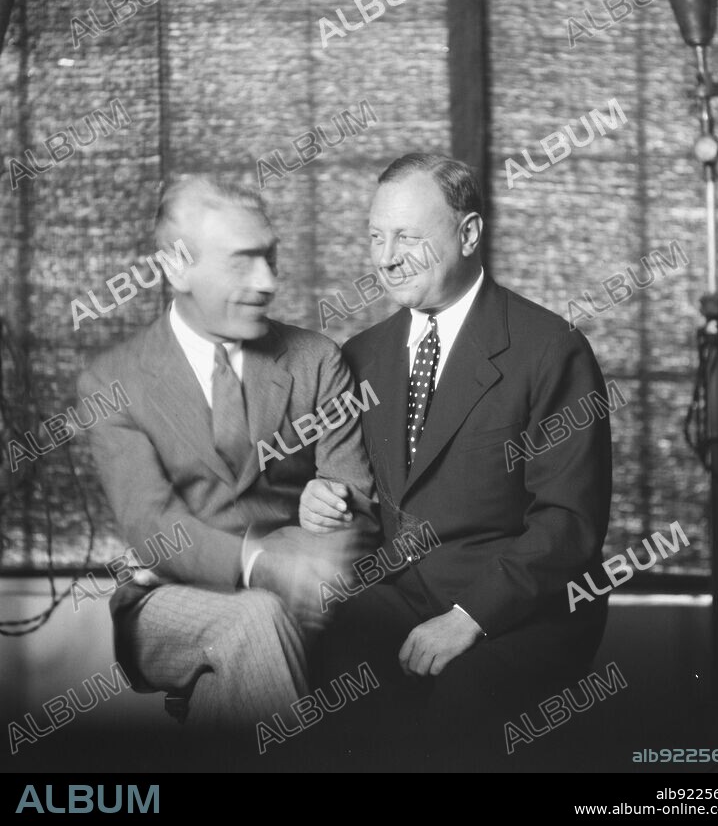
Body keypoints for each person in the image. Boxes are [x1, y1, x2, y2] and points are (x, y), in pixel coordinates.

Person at [301, 152, 613, 770]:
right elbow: (361, 496)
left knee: (455, 721)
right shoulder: (359, 357)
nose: (386, 257)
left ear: (469, 234)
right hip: (401, 595)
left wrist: (469, 619)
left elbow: (569, 524)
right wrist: (319, 500)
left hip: (520, 608)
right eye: (375, 237)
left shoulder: (551, 350)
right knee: (316, 668)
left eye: (408, 237)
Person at [77, 174, 378, 757]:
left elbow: (356, 515)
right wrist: (266, 562)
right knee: (256, 617)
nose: (268, 282)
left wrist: (307, 544)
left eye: (271, 257)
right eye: (243, 262)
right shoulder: (112, 383)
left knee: (241, 658)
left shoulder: (317, 362)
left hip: (294, 604)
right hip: (160, 607)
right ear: (176, 267)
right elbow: (153, 527)